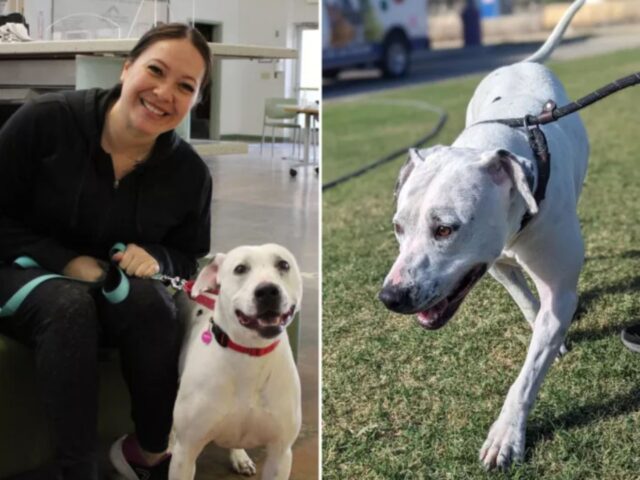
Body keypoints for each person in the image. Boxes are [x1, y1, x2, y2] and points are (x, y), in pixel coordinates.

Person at [0, 23, 213, 480]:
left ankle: (153, 451)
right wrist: (63, 262)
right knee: (67, 304)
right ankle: (79, 470)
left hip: (106, 281)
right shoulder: (46, 121)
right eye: (154, 70)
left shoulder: (189, 174)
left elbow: (188, 254)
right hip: (15, 268)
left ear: (195, 101)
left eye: (185, 86)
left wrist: (157, 257)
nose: (163, 93)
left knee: (151, 303)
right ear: (126, 68)